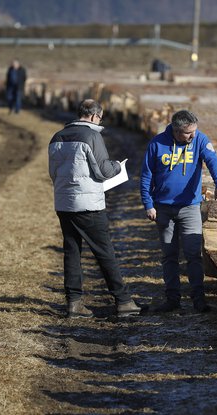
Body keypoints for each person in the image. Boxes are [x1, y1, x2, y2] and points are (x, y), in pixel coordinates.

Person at [48, 99, 142, 319]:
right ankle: (123, 301)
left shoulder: (57, 137)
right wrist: (118, 165)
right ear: (93, 116)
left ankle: (74, 302)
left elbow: (53, 172)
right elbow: (103, 171)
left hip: (64, 203)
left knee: (71, 251)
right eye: (100, 117)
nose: (100, 121)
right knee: (104, 251)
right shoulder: (92, 136)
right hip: (88, 205)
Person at [140, 110, 217, 313]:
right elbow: (146, 176)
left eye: (194, 131)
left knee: (193, 254)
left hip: (190, 207)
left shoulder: (200, 140)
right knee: (169, 255)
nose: (193, 135)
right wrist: (148, 204)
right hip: (163, 208)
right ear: (176, 131)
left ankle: (198, 299)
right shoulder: (156, 144)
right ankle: (172, 299)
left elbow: (212, 161)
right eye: (188, 133)